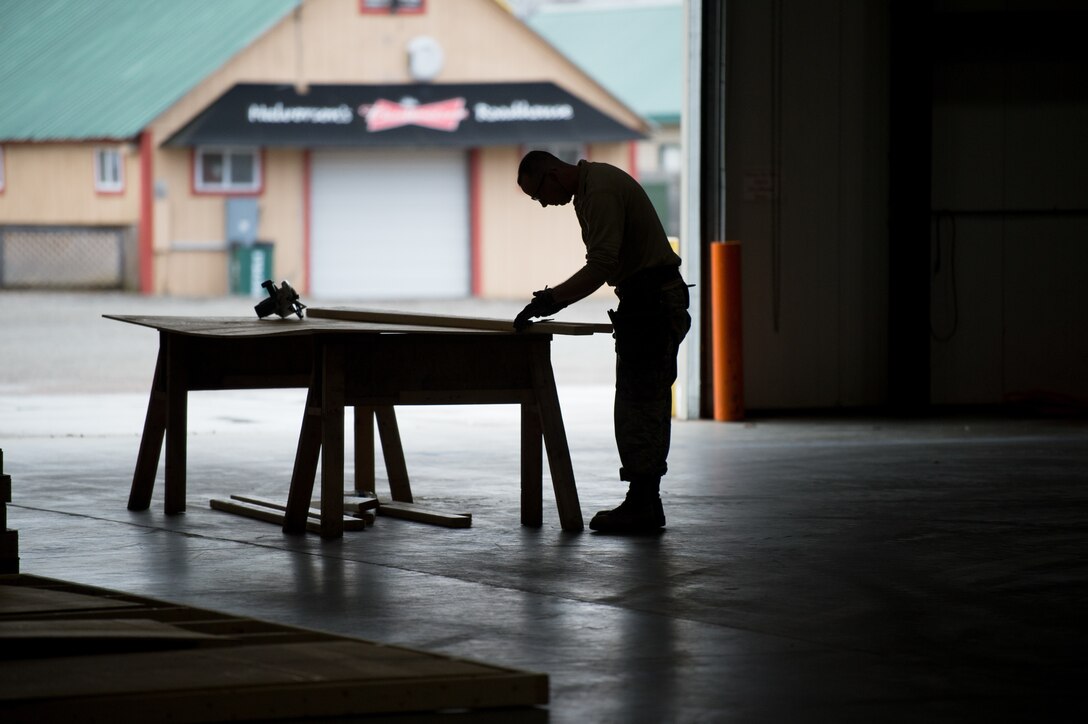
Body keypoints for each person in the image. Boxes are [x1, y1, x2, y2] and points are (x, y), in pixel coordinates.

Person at [513, 150, 690, 534]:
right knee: (638, 401)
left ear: (554, 174)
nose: (543, 204)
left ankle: (644, 505)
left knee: (640, 403)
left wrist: (550, 300)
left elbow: (602, 264)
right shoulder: (590, 190)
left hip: (653, 303)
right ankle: (644, 501)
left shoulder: (601, 191)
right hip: (645, 301)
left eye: (539, 194)